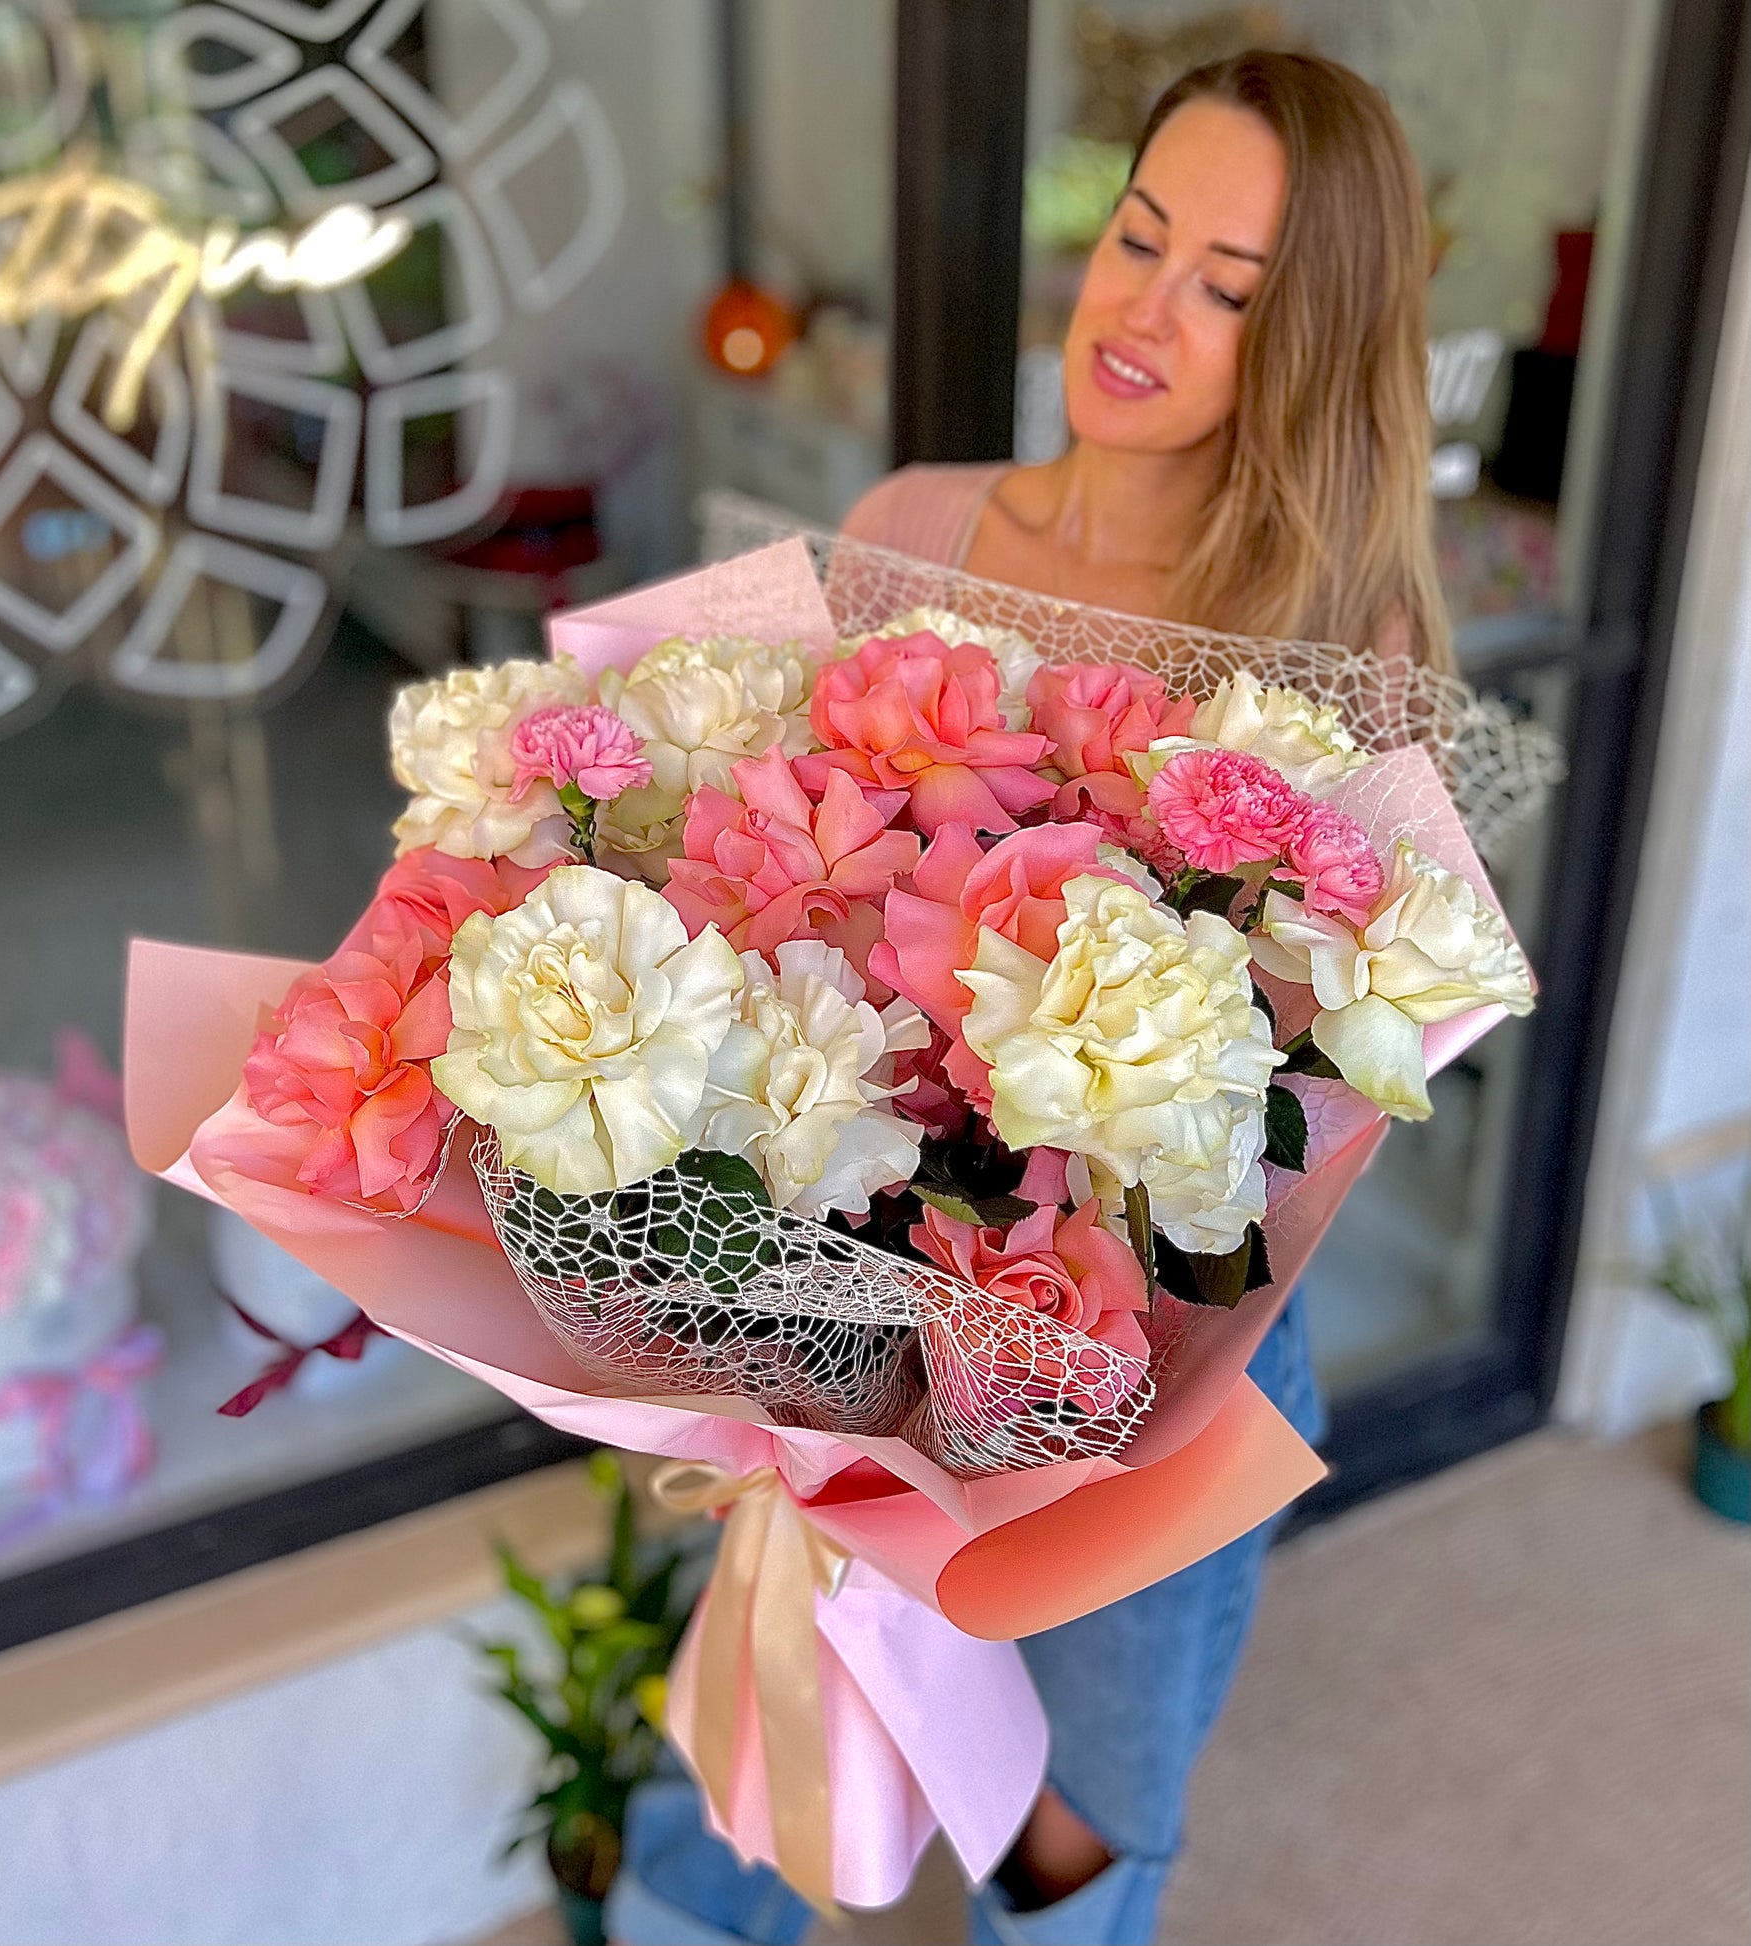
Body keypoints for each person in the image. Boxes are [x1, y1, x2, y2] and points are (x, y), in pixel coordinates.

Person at [607, 48, 1451, 1946]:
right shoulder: (919, 518)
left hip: (1155, 1350)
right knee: (765, 1723)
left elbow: (1343, 1081)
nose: (1141, 308)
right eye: (1135, 235)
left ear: (1305, 342)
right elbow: (756, 886)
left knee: (1076, 1824)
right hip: (850, 1282)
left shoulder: (1336, 642)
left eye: (1228, 287)